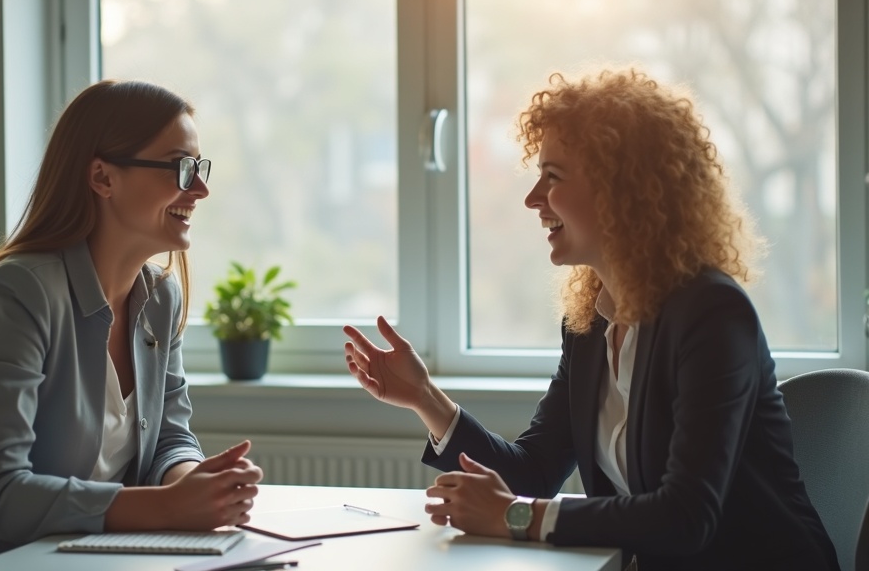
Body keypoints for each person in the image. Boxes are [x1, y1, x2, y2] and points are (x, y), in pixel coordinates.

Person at [342, 68, 839, 570]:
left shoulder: (712, 314)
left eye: (553, 177)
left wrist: (516, 516)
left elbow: (687, 516)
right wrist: (424, 397)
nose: (532, 198)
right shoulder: (591, 324)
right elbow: (534, 473)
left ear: (622, 189)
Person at [0, 80, 263, 571]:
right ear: (102, 177)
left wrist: (193, 483)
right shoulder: (19, 292)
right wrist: (167, 507)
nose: (200, 189)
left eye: (199, 167)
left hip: (78, 560)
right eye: (180, 167)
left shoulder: (160, 298)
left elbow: (169, 437)